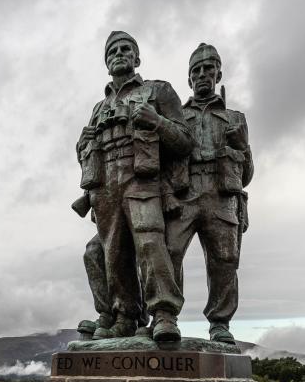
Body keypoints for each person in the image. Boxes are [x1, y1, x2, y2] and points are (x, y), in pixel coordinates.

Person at [75, 31, 193, 342]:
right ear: (106, 62)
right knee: (111, 253)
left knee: (150, 242)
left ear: (137, 58)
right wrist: (82, 146)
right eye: (112, 51)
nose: (119, 54)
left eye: (126, 49)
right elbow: (87, 153)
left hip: (141, 178)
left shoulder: (158, 90)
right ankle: (124, 315)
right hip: (105, 187)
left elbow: (184, 142)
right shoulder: (99, 108)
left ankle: (164, 313)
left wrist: (156, 121)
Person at [166, 43, 253, 345]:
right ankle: (166, 316)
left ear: (218, 73)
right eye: (195, 71)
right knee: (169, 252)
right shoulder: (177, 115)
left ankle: (220, 322)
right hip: (185, 192)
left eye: (207, 68)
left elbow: (248, 174)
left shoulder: (236, 118)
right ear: (189, 79)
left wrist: (240, 145)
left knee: (224, 260)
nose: (202, 74)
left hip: (222, 194)